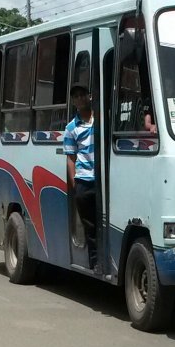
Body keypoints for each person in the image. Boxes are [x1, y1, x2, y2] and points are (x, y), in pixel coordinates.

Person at [63, 82, 98, 271]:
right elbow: (70, 158)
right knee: (90, 227)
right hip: (84, 182)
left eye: (82, 94)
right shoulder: (71, 128)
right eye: (75, 96)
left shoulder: (100, 118)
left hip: (102, 181)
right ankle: (95, 264)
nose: (79, 98)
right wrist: (74, 184)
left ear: (89, 96)